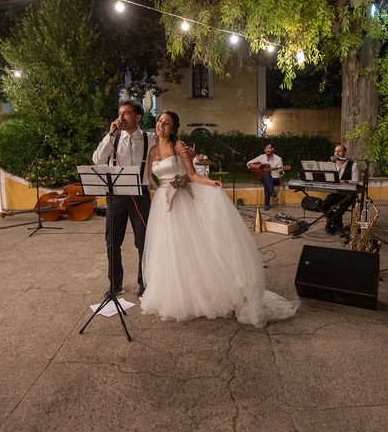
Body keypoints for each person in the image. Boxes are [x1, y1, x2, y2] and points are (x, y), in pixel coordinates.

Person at [140, 111, 299, 328]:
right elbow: (148, 177)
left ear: (173, 127)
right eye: (159, 121)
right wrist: (155, 188)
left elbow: (194, 175)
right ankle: (171, 291)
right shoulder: (152, 151)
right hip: (161, 202)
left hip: (181, 201)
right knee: (166, 247)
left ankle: (198, 293)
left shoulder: (179, 146)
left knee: (188, 246)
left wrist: (211, 183)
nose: (161, 125)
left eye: (166, 123)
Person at [91, 100, 156, 298]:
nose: (121, 117)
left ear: (137, 117)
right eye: (120, 113)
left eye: (127, 113)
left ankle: (144, 284)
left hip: (140, 195)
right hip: (116, 196)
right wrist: (110, 135)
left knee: (143, 242)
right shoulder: (113, 138)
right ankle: (115, 284)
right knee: (112, 241)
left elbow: (169, 148)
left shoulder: (150, 138)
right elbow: (97, 160)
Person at [321, 144, 360, 235]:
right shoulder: (332, 165)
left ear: (345, 153)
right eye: (335, 151)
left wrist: (346, 181)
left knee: (342, 205)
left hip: (349, 193)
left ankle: (331, 223)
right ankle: (337, 222)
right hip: (336, 192)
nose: (337, 153)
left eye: (340, 151)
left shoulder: (353, 165)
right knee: (324, 205)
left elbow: (356, 181)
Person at [247, 143, 284, 210]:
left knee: (267, 182)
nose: (267, 150)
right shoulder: (261, 157)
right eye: (266, 148)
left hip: (275, 179)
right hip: (263, 177)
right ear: (264, 150)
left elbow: (280, 173)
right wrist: (255, 166)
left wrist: (280, 171)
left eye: (269, 148)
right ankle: (273, 194)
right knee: (266, 177)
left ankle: (267, 204)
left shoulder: (278, 159)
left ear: (272, 149)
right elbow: (249, 163)